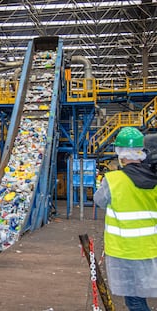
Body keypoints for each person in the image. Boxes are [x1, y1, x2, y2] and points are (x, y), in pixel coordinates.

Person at [93, 127, 157, 311]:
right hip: (150, 249)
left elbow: (99, 200)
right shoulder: (154, 179)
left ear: (120, 153)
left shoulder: (114, 180)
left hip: (126, 251)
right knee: (140, 297)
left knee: (135, 301)